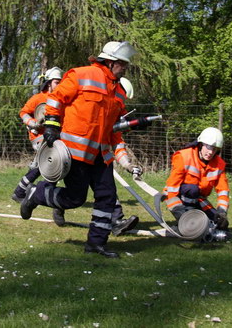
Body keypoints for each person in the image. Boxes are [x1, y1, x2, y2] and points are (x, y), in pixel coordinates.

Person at [20, 41, 141, 258]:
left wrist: (132, 128)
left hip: (101, 155)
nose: (125, 68)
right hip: (74, 151)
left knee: (107, 197)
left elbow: (113, 127)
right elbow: (55, 99)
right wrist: (52, 125)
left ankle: (96, 244)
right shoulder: (82, 74)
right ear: (110, 62)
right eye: (122, 64)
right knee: (75, 199)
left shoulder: (119, 91)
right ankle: (36, 194)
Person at [51, 77, 141, 237]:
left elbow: (117, 143)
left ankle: (116, 221)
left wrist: (128, 165)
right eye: (120, 99)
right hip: (76, 156)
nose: (121, 105)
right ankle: (55, 203)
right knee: (75, 194)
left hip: (99, 159)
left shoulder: (112, 118)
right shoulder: (88, 107)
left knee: (107, 191)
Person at [11, 67, 64, 202]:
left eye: (60, 82)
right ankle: (23, 192)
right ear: (49, 83)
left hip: (55, 137)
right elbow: (23, 113)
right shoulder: (38, 98)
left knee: (51, 166)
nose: (59, 85)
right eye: (56, 82)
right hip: (39, 137)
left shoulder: (61, 99)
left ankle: (31, 192)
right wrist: (34, 123)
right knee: (49, 164)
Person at [163, 127, 230, 231]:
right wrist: (177, 210)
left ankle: (197, 221)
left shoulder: (219, 164)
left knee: (220, 225)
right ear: (201, 144)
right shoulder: (184, 156)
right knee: (192, 190)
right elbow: (172, 188)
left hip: (199, 198)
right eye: (208, 147)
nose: (211, 152)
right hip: (178, 197)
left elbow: (223, 191)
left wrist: (222, 212)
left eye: (215, 149)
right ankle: (188, 221)